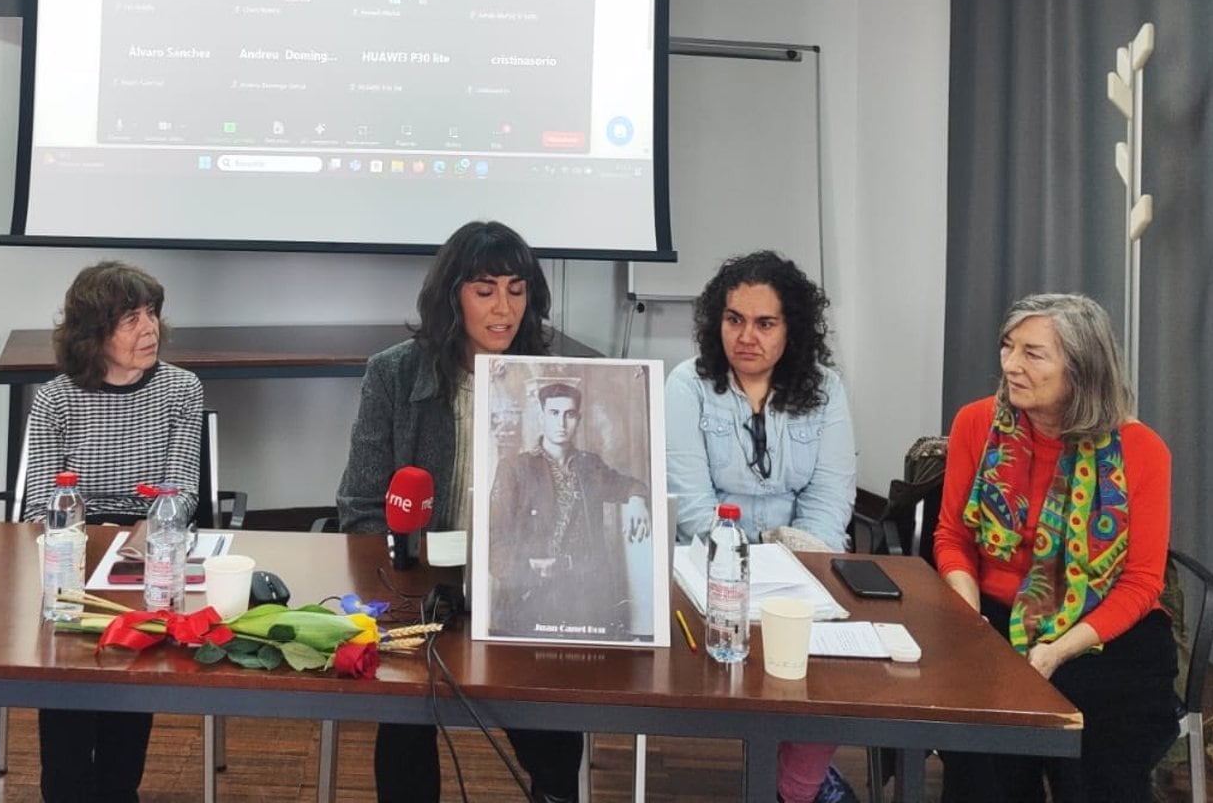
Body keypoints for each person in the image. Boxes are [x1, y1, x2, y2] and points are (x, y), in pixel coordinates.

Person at [336, 220, 583, 803]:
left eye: (517, 290)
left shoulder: (553, 378)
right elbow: (361, 505)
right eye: (485, 290)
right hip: (424, 591)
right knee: (404, 724)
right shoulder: (394, 374)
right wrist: (406, 578)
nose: (504, 308)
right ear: (452, 297)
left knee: (555, 741)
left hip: (525, 591)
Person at [935, 293, 1177, 803]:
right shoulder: (976, 424)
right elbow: (954, 538)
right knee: (981, 742)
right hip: (995, 613)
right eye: (1007, 347)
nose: (1010, 365)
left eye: (1033, 353)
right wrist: (968, 619)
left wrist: (1054, 652)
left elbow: (1141, 582)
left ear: (1082, 369)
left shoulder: (1142, 450)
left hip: (1106, 627)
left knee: (1098, 748)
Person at [664, 250, 860, 803]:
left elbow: (829, 499)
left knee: (822, 653)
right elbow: (693, 503)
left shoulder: (825, 389)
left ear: (790, 329)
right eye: (734, 320)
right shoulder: (688, 385)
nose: (746, 336)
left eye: (765, 323)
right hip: (709, 565)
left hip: (804, 562)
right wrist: (745, 568)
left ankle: (794, 785)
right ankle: (800, 780)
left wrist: (794, 570)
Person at [22, 261, 203, 803]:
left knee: (130, 670)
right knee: (67, 677)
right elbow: (40, 505)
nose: (148, 329)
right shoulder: (56, 399)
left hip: (146, 556)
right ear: (93, 333)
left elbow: (181, 494)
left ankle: (120, 790)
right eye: (130, 319)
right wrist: (90, 543)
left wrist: (134, 542)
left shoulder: (180, 390)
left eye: (151, 313)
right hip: (70, 558)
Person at [488, 378, 652, 639]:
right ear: (542, 416)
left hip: (583, 600)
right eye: (553, 413)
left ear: (579, 418)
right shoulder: (515, 468)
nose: (561, 423)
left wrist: (637, 500)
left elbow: (629, 485)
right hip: (527, 600)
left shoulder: (590, 466)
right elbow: (493, 540)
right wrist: (529, 568)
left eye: (569, 415)